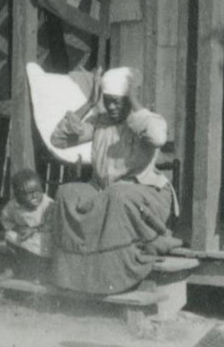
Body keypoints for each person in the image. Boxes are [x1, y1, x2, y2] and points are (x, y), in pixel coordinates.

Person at [44, 66, 179, 296]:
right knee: (67, 194)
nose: (113, 107)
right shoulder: (101, 122)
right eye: (108, 101)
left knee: (117, 195)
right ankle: (74, 276)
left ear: (128, 98)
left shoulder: (146, 120)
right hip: (105, 192)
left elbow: (157, 137)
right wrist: (90, 102)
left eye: (119, 101)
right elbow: (58, 139)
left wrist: (134, 100)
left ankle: (115, 274)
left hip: (145, 194)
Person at [0, 167, 53, 265]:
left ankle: (39, 273)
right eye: (28, 193)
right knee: (10, 236)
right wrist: (17, 228)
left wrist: (34, 230)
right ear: (18, 195)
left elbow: (52, 224)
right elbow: (5, 219)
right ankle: (12, 268)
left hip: (42, 237)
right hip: (23, 236)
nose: (34, 196)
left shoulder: (48, 204)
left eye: (37, 191)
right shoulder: (14, 205)